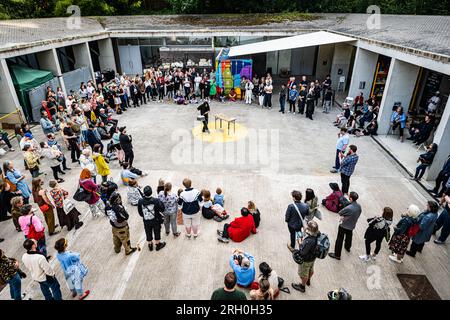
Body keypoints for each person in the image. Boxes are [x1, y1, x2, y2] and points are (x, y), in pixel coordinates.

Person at [329, 192, 362, 260]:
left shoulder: (349, 207)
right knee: (349, 236)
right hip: (352, 225)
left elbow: (340, 212)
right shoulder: (359, 206)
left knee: (339, 239)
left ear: (350, 198)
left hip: (344, 225)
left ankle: (337, 254)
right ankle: (347, 247)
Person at [292, 220, 320, 293]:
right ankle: (308, 281)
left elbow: (302, 252)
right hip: (313, 257)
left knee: (303, 274)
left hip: (306, 260)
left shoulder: (309, 241)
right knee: (311, 269)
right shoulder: (318, 235)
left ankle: (302, 286)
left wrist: (300, 243)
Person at [138, 186, 166, 251]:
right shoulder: (156, 200)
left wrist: (145, 216)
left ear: (144, 193)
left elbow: (140, 212)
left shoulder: (140, 201)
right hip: (155, 219)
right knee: (157, 231)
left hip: (146, 220)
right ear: (151, 192)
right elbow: (162, 209)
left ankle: (150, 245)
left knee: (148, 231)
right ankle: (158, 244)